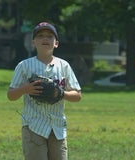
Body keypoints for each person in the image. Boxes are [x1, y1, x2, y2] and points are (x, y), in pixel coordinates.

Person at [7, 22, 81, 160]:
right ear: (33, 42)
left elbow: (77, 95)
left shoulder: (63, 66)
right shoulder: (24, 66)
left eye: (49, 36)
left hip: (58, 128)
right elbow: (11, 95)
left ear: (56, 43)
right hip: (33, 125)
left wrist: (61, 93)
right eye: (40, 36)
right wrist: (26, 89)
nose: (45, 39)